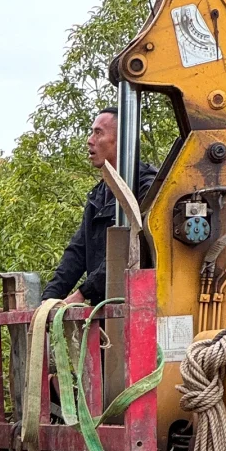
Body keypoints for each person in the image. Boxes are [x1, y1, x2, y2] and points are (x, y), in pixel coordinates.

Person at [41, 108, 157, 306]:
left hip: (139, 304)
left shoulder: (149, 189)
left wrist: (83, 292)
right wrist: (49, 298)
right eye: (91, 132)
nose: (90, 140)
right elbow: (78, 251)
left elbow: (131, 249)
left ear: (121, 139)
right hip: (104, 307)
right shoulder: (99, 195)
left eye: (98, 132)